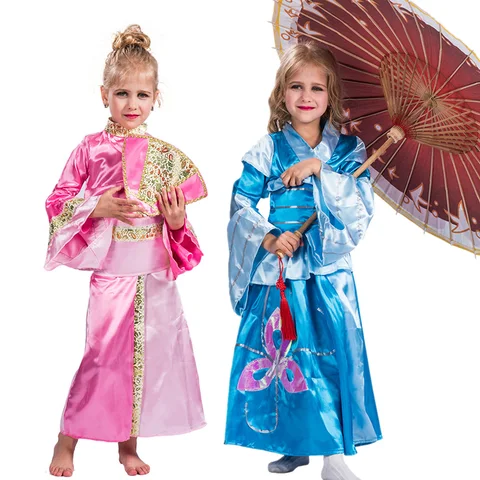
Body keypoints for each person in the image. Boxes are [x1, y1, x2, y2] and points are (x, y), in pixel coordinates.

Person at [46, 24, 207, 477]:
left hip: (154, 274)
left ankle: (127, 446)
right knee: (101, 357)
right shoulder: (90, 149)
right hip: (113, 273)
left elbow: (180, 229)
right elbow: (57, 202)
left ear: (156, 97)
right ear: (104, 95)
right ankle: (66, 438)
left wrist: (175, 222)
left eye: (141, 95)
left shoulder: (165, 157)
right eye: (122, 94)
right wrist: (96, 206)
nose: (131, 104)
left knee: (146, 362)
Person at [225, 42, 381, 480]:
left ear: (331, 96)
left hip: (329, 274)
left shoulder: (348, 149)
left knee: (331, 355)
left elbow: (359, 209)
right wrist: (271, 236)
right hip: (282, 270)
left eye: (317, 87)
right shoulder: (268, 148)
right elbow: (240, 204)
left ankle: (334, 456)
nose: (306, 96)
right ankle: (293, 444)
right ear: (282, 93)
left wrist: (318, 169)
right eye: (296, 86)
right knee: (288, 354)